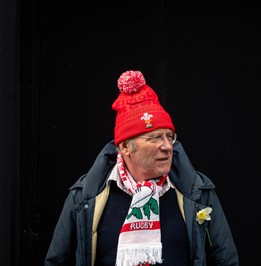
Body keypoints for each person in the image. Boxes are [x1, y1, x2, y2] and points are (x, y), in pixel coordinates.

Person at [44, 69, 239, 266]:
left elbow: (225, 261)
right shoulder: (85, 197)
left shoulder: (197, 193)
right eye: (154, 138)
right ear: (125, 147)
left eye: (169, 136)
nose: (167, 146)